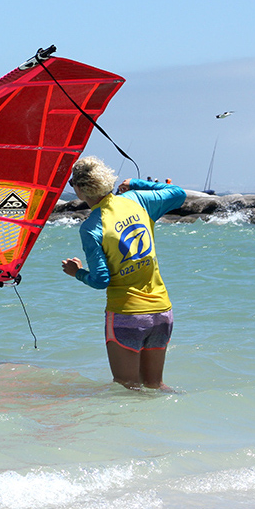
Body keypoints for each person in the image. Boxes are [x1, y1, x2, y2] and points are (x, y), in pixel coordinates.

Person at [61, 157, 186, 389]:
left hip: (127, 315)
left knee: (126, 388)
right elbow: (178, 193)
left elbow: (101, 280)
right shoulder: (137, 198)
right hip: (162, 312)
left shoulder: (92, 227)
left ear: (79, 189)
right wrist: (138, 183)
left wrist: (77, 272)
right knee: (155, 385)